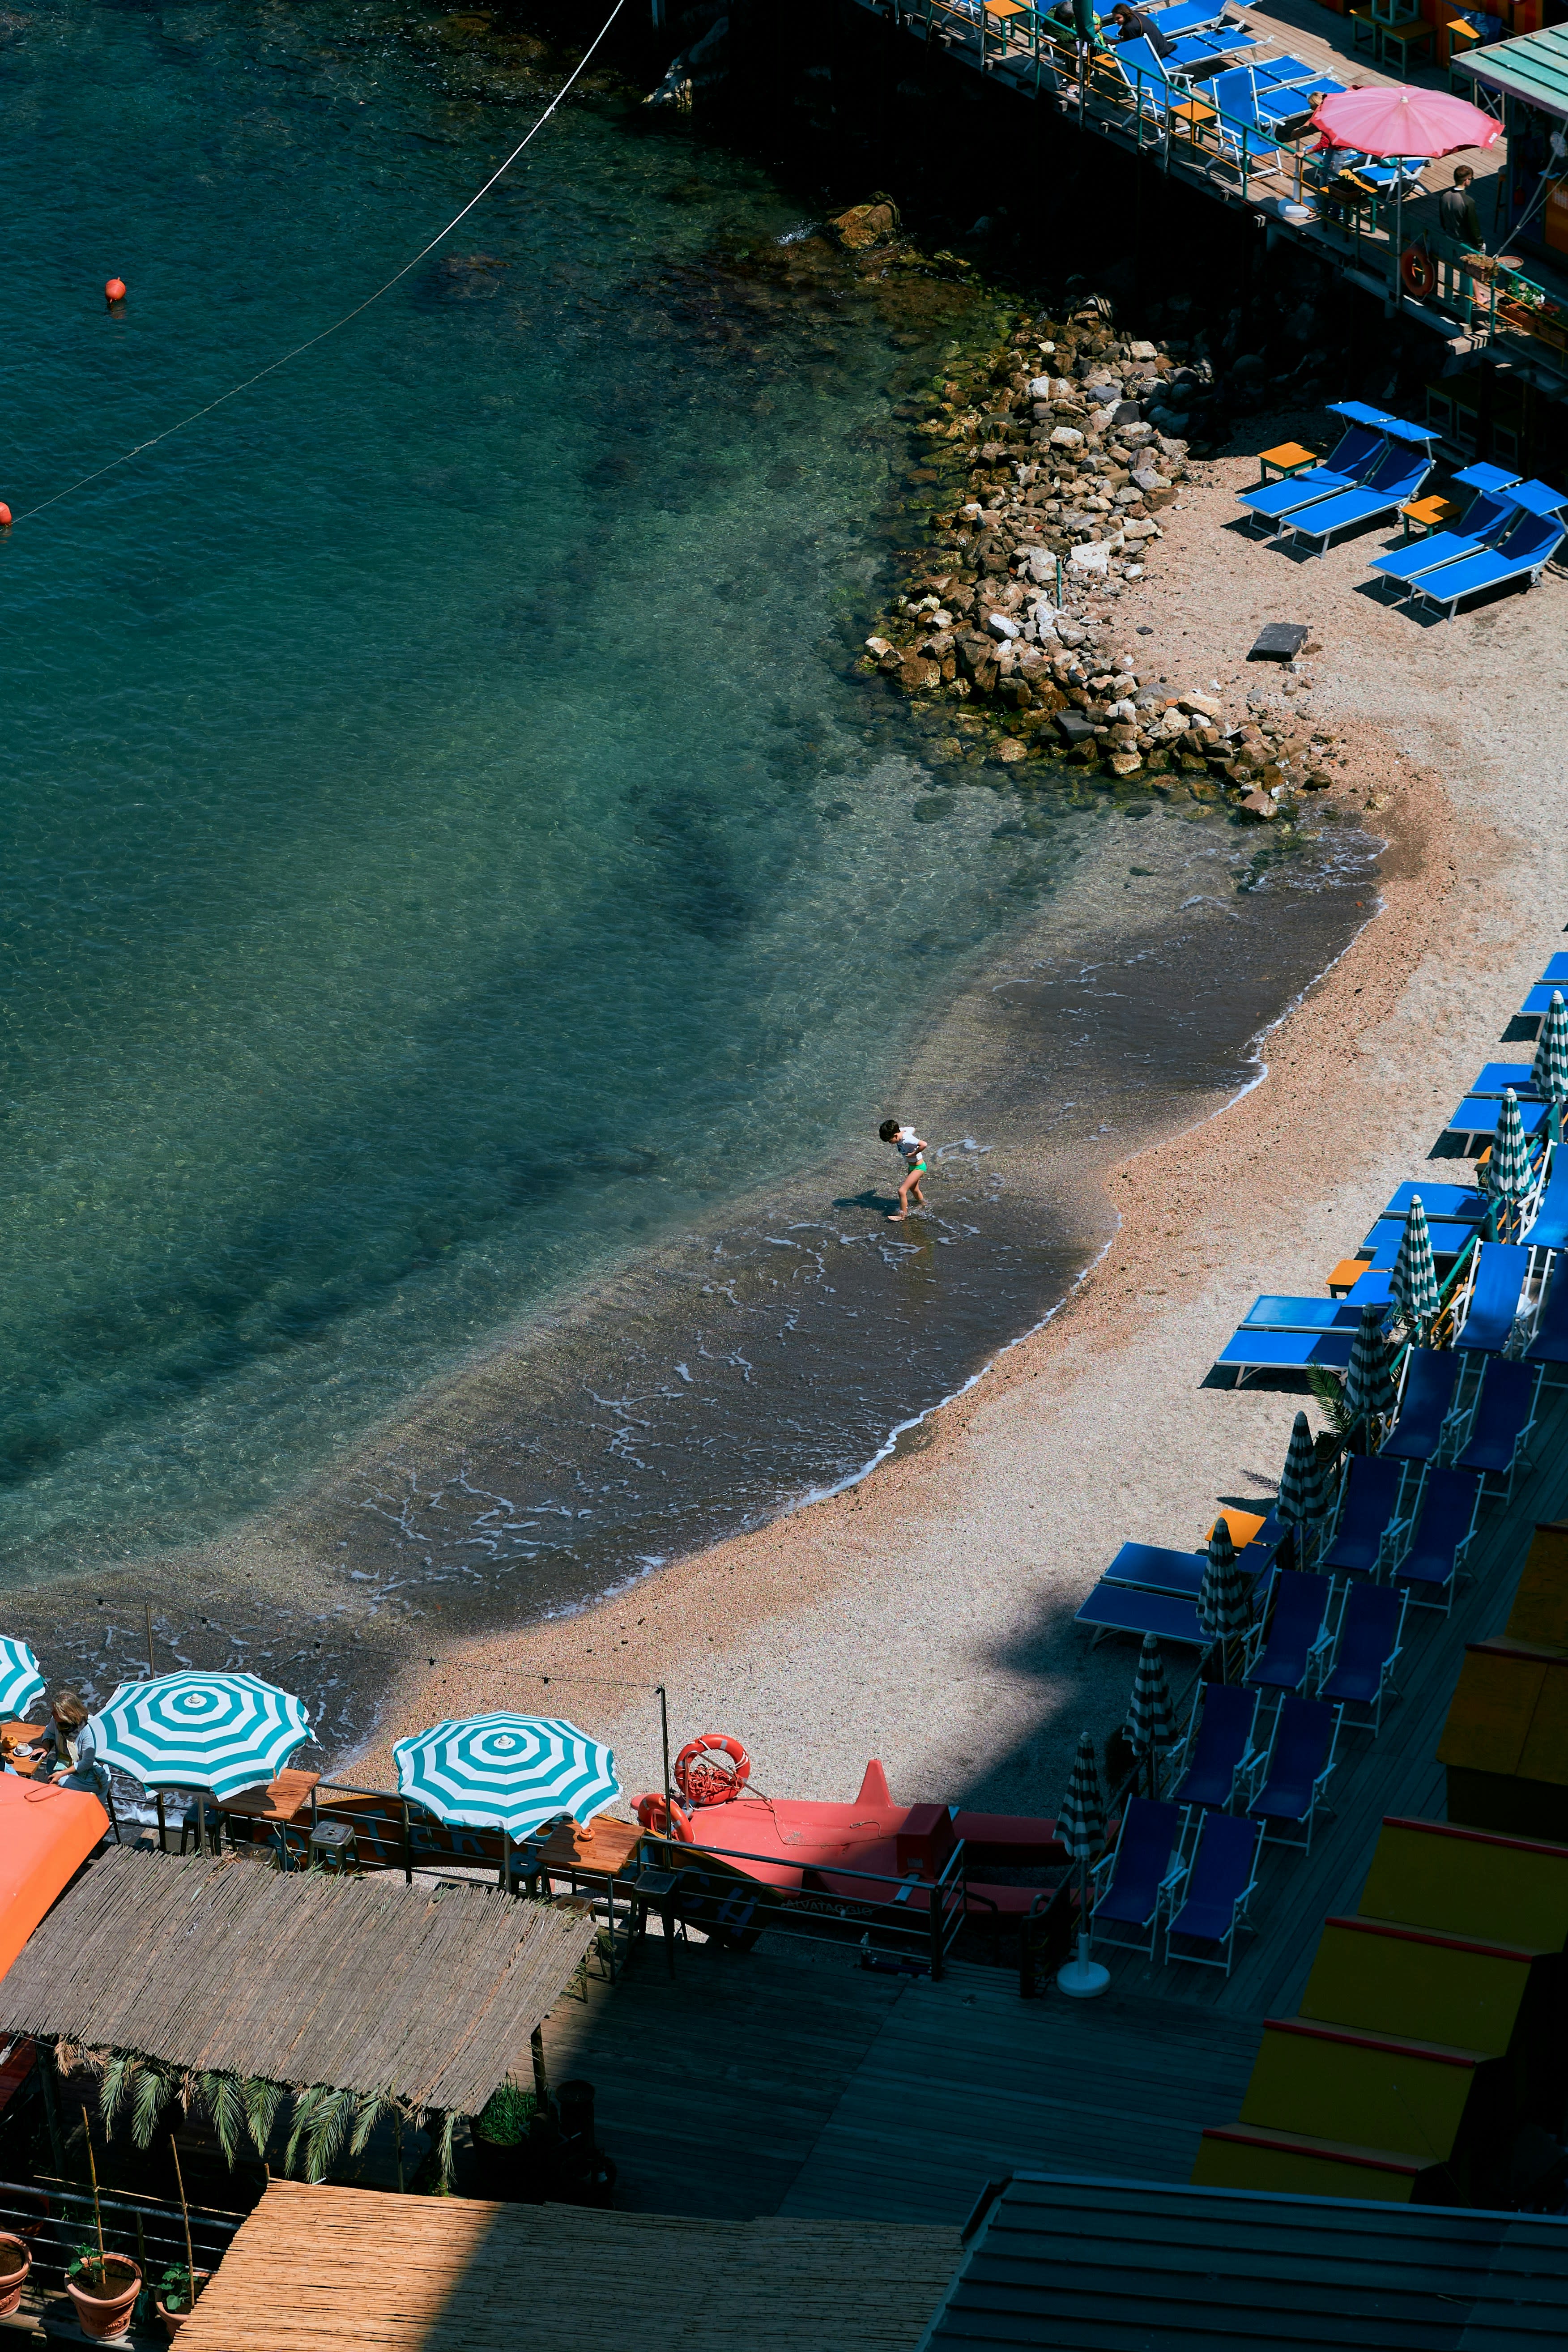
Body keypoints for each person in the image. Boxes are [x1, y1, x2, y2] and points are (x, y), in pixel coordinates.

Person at [878, 1119, 929, 1222]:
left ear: (896, 1136)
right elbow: (912, 1129)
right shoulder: (901, 1132)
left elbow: (924, 1144)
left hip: (919, 1168)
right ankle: (924, 1204)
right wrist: (902, 1131)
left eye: (890, 1140)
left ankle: (903, 1215)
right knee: (914, 1190)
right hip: (913, 1167)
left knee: (902, 1191)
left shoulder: (907, 1140)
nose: (890, 1143)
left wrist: (913, 1154)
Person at [1438, 164, 1483, 250]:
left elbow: (1442, 220)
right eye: (1471, 179)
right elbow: (1473, 227)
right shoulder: (1468, 201)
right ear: (1466, 181)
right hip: (1464, 242)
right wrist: (1480, 243)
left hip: (1449, 237)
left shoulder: (1444, 196)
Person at [1107, 4, 1175, 57]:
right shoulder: (1135, 15)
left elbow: (1131, 46)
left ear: (1125, 15)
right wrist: (1118, 41)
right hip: (1163, 45)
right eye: (1114, 19)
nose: (1115, 21)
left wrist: (1118, 45)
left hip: (1156, 53)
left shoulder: (1130, 27)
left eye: (1118, 18)